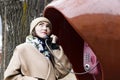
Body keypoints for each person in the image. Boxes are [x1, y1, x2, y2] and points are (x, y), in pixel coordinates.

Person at [4, 17, 72, 80]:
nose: (45, 28)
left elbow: (63, 71)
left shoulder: (50, 49)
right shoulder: (22, 49)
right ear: (34, 29)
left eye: (47, 26)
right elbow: (10, 76)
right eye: (41, 25)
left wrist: (54, 46)